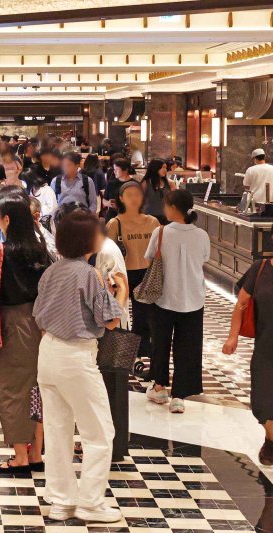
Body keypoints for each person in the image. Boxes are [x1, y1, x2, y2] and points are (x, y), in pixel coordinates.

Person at [33, 210, 128, 524]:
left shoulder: (52, 271)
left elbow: (39, 316)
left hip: (48, 354)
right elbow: (110, 320)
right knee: (99, 431)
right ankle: (90, 503)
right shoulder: (89, 274)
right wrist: (121, 291)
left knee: (57, 430)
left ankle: (61, 501)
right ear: (87, 240)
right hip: (76, 356)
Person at [0, 191, 51, 474]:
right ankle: (36, 454)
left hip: (9, 327)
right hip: (40, 326)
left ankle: (20, 457)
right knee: (37, 389)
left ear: (7, 220)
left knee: (11, 390)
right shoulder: (41, 250)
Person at [145, 189, 210, 414]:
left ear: (173, 208)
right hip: (193, 298)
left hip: (163, 297)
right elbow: (204, 258)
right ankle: (179, 396)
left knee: (160, 342)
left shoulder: (161, 232)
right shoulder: (202, 235)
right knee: (188, 347)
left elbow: (149, 258)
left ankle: (159, 387)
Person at [222, 253, 273, 465]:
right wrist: (232, 336)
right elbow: (242, 303)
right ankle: (271, 437)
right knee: (261, 402)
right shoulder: (260, 269)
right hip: (265, 348)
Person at [106, 181, 159, 363]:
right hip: (123, 274)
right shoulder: (115, 223)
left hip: (146, 273)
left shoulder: (152, 222)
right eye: (129, 195)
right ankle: (121, 352)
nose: (134, 198)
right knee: (121, 314)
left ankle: (141, 351)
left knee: (143, 315)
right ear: (121, 198)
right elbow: (108, 251)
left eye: (137, 194)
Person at [142, 158, 175, 224]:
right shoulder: (145, 183)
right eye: (163, 167)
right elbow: (139, 202)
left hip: (166, 217)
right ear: (155, 168)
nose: (165, 170)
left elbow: (175, 201)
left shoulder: (170, 183)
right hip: (149, 217)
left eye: (166, 168)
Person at [103, 158, 134, 222]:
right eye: (114, 170)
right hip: (112, 217)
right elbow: (104, 200)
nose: (114, 172)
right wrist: (109, 204)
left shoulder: (134, 185)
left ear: (126, 170)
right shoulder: (111, 183)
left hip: (129, 217)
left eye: (116, 170)